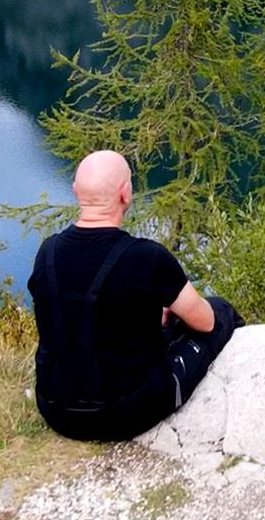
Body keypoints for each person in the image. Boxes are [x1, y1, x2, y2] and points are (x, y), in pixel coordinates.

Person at [28, 150, 243, 442]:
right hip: (126, 414)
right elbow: (205, 322)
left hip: (56, 411)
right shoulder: (146, 257)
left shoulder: (47, 252)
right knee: (220, 311)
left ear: (76, 191)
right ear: (126, 193)